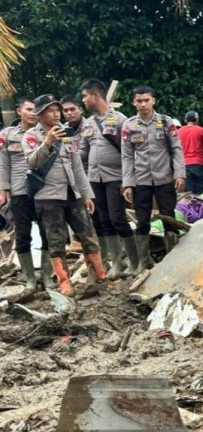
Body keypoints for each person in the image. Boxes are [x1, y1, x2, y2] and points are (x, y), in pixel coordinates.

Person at [24, 95, 106, 297]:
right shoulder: (31, 136)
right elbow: (32, 162)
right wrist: (48, 143)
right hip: (48, 196)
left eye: (57, 110)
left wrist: (87, 195)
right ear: (40, 114)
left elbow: (77, 168)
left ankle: (100, 276)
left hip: (72, 193)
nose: (56, 114)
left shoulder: (67, 134)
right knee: (56, 241)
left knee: (89, 235)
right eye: (51, 111)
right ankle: (64, 283)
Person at [77, 78, 138, 280]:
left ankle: (135, 261)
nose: (83, 100)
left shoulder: (121, 120)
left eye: (85, 96)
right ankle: (118, 263)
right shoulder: (88, 123)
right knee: (104, 221)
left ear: (96, 96)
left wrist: (128, 180)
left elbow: (130, 152)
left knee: (118, 218)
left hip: (115, 177)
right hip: (95, 179)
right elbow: (83, 152)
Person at [121, 85, 186, 271]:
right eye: (139, 101)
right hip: (141, 181)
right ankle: (145, 262)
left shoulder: (166, 122)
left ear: (153, 101)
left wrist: (179, 174)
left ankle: (173, 259)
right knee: (142, 221)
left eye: (146, 100)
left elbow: (176, 150)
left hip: (164, 178)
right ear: (134, 103)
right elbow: (126, 156)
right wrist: (127, 184)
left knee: (168, 217)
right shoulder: (129, 125)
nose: (143, 104)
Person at [0, 97, 52, 289]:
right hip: (19, 190)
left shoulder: (45, 132)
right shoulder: (7, 134)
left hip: (44, 190)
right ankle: (30, 279)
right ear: (18, 111)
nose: (32, 113)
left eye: (35, 109)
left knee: (48, 234)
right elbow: (3, 163)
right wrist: (3, 188)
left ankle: (47, 276)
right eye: (28, 109)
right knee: (23, 235)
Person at [178, 110, 203, 194]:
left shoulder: (179, 132)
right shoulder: (201, 130)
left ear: (185, 120)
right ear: (197, 119)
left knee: (190, 191)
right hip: (199, 163)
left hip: (185, 164)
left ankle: (192, 206)